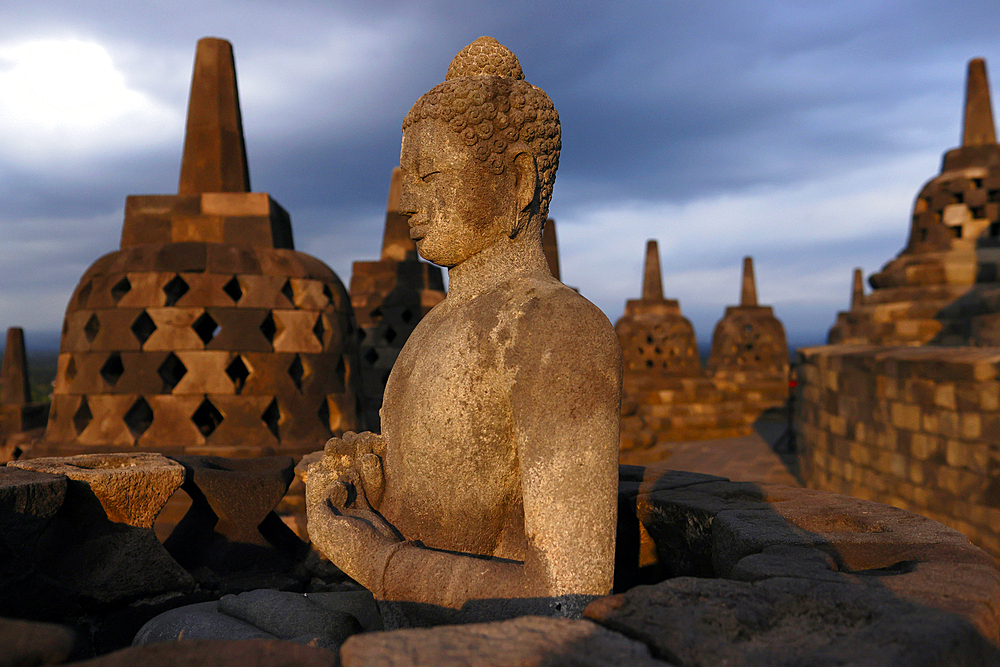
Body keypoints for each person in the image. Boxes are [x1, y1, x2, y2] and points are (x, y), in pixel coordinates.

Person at [306, 36, 621, 624]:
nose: (408, 203)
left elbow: (570, 593)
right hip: (397, 622)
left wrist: (378, 562)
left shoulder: (558, 330)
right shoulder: (431, 330)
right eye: (407, 179)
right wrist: (370, 484)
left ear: (519, 183)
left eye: (431, 176)